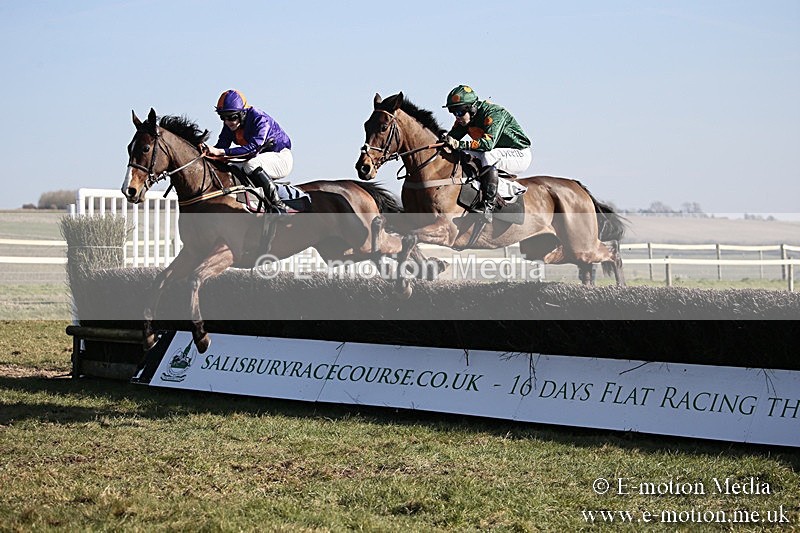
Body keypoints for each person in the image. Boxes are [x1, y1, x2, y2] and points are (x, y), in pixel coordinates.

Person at [441, 85, 532, 222]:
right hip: (495, 151)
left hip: (519, 153)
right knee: (461, 153)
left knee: (489, 155)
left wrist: (458, 144)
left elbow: (488, 144)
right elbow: (451, 140)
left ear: (471, 109)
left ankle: (489, 205)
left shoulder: (494, 113)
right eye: (453, 113)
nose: (457, 117)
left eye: (459, 112)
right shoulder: (465, 119)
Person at [202, 89, 292, 212]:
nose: (228, 122)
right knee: (230, 166)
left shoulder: (259, 118)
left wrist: (222, 152)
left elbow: (253, 149)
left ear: (242, 113)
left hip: (280, 157)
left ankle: (278, 205)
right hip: (259, 159)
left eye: (232, 117)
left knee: (251, 165)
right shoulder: (230, 125)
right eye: (223, 117)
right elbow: (221, 147)